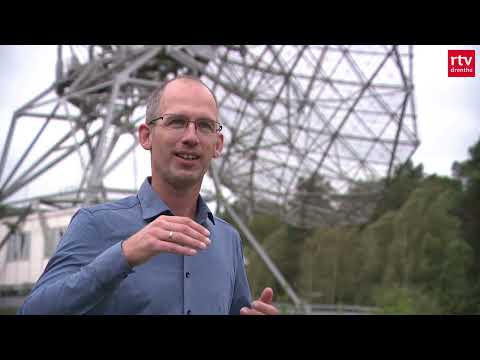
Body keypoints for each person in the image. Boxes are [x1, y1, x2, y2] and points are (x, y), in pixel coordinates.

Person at [17, 75, 279, 315]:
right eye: (176, 122)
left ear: (218, 145)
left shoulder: (227, 240)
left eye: (205, 126)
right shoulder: (94, 224)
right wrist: (124, 256)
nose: (191, 137)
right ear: (146, 136)